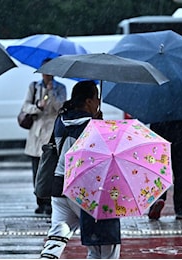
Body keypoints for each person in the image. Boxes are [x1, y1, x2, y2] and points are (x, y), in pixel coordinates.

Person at [40, 80, 121, 259]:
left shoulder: (61, 120)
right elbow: (103, 158)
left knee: (56, 239)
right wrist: (100, 125)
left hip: (59, 184)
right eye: (96, 98)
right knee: (105, 244)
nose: (98, 102)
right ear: (88, 102)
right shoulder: (93, 125)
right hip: (84, 189)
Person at [22, 58, 67, 215]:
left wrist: (51, 93)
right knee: (37, 170)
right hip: (37, 133)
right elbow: (25, 107)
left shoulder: (60, 88)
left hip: (52, 133)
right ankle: (39, 200)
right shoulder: (34, 87)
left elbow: (61, 107)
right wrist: (37, 107)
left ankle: (49, 201)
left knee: (50, 168)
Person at [148, 119, 182, 220]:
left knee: (160, 171)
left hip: (161, 130)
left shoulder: (157, 105)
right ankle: (181, 209)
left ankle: (158, 199)